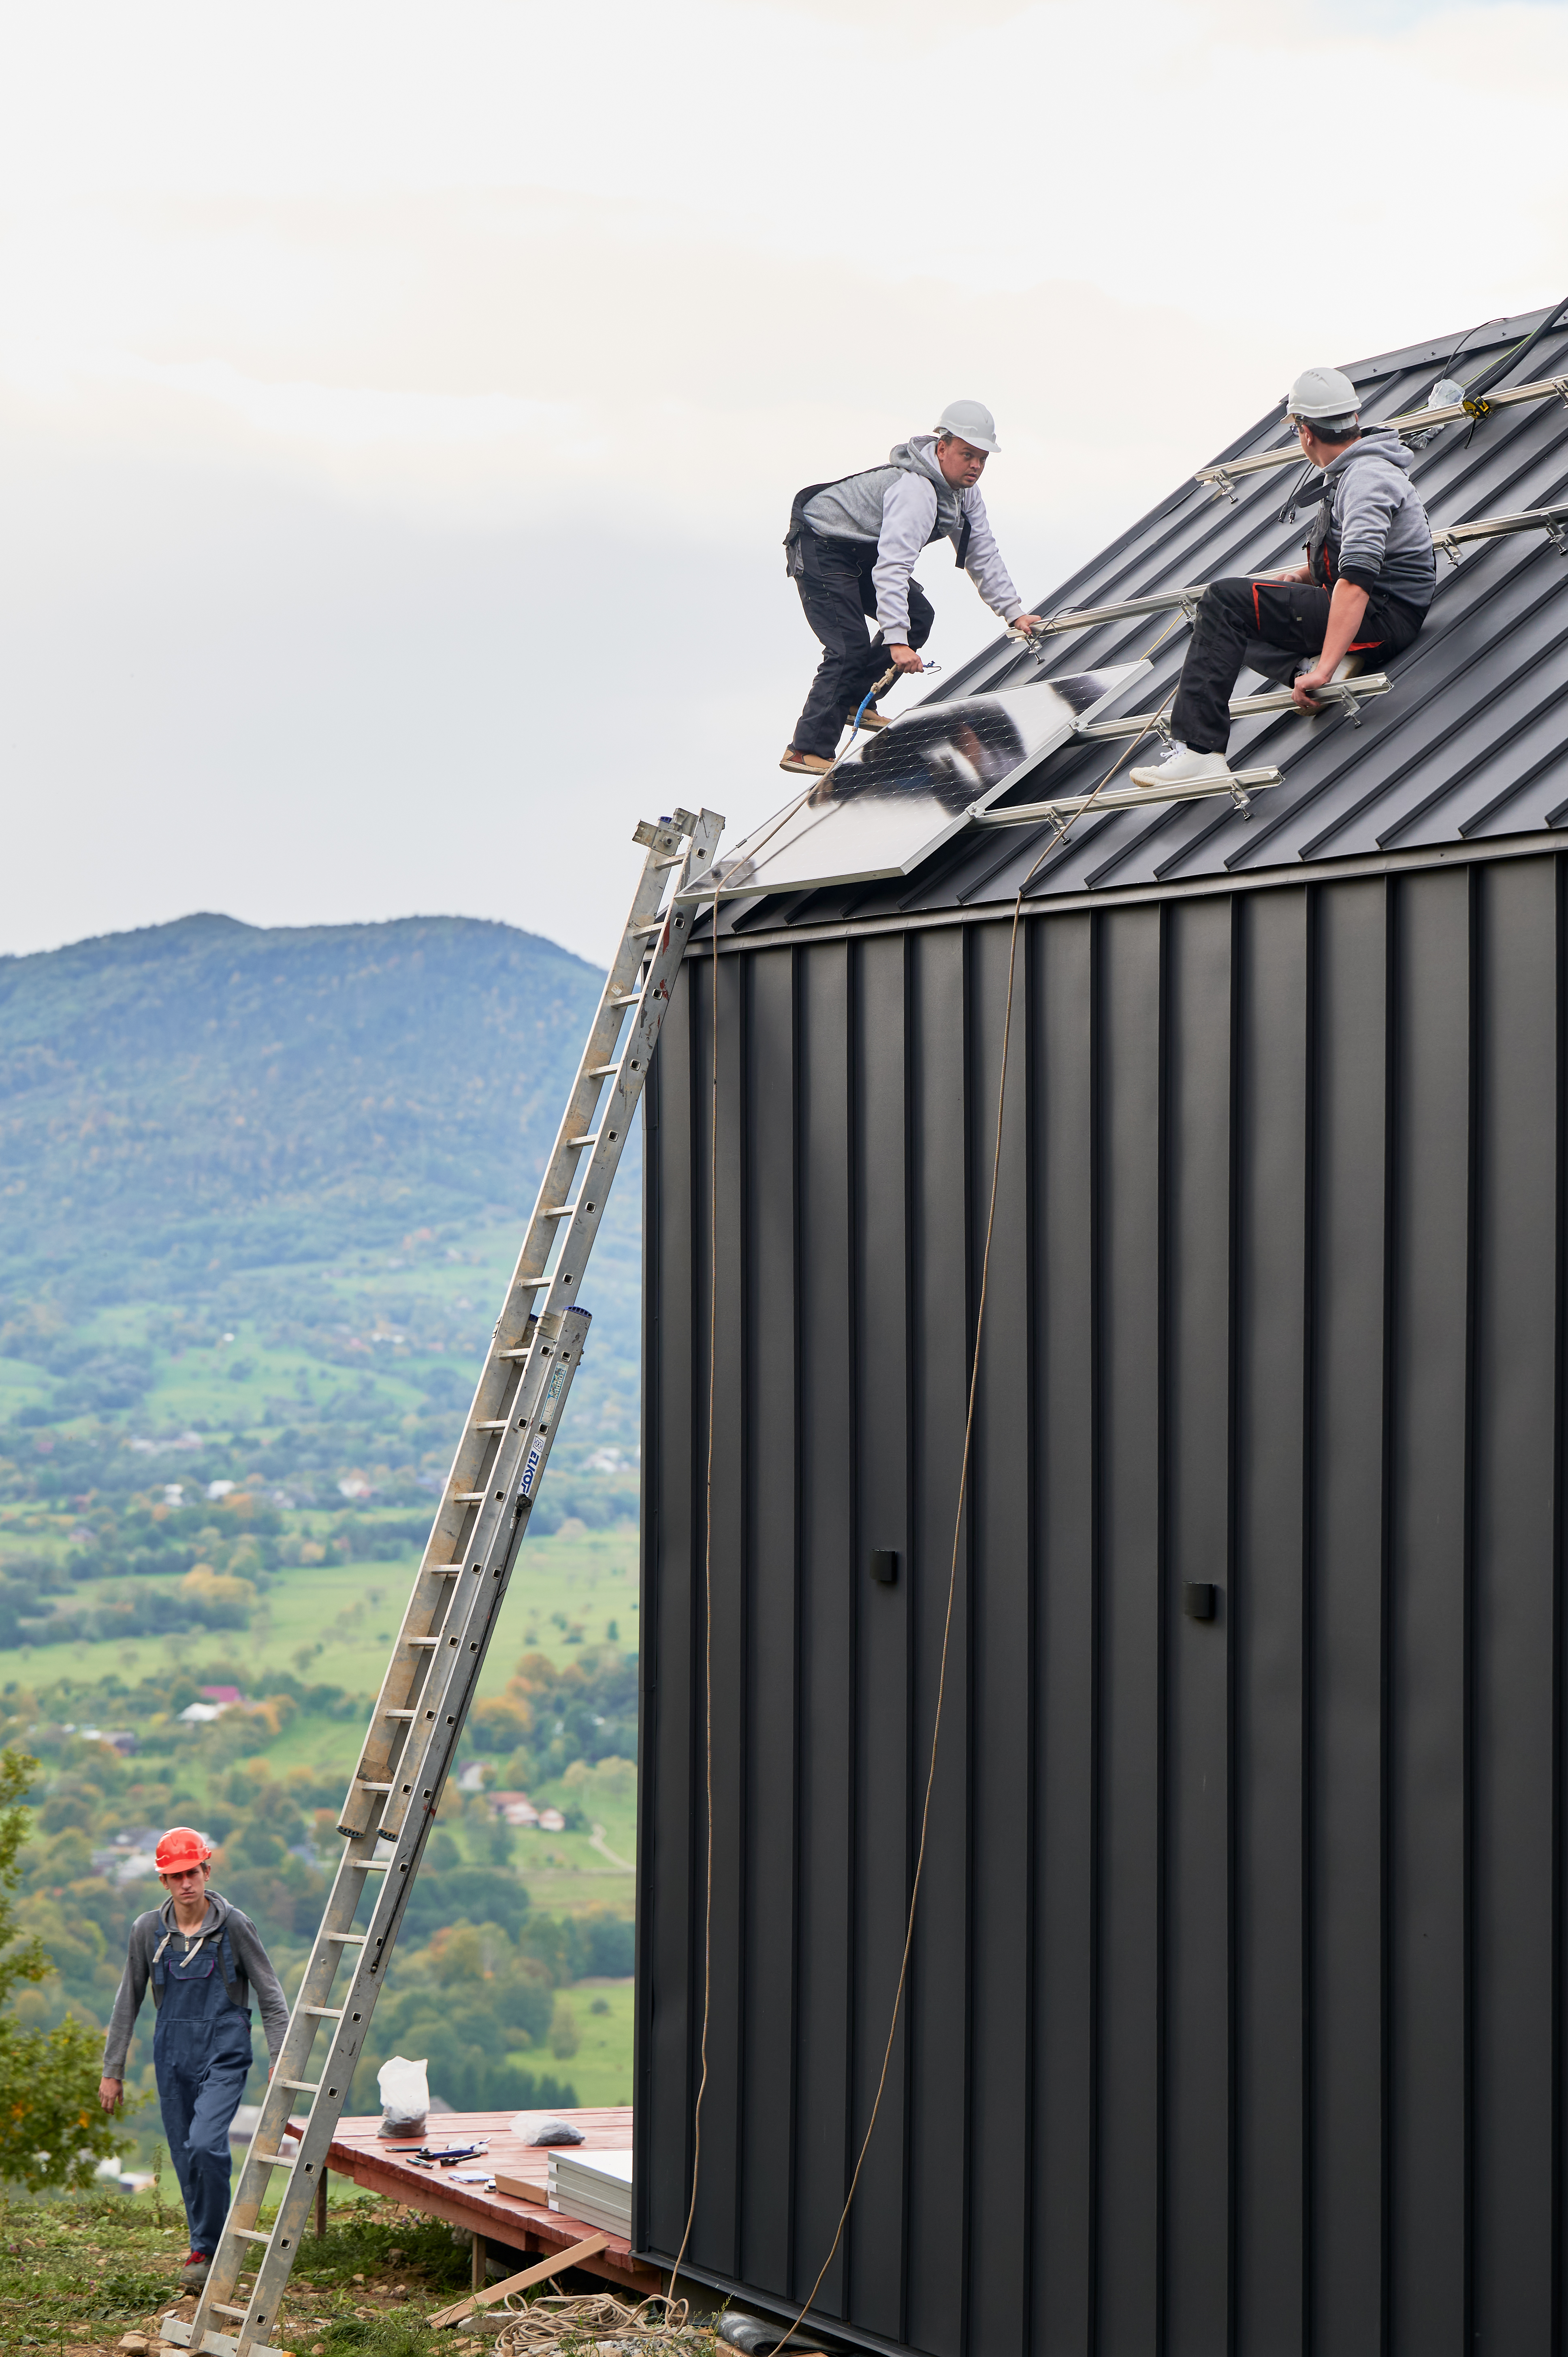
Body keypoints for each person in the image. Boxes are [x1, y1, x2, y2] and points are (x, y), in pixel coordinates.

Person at [1130, 365, 1436, 792]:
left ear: (1305, 432)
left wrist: (1325, 671)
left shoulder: (1366, 477)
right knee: (1223, 623)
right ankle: (1303, 666)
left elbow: (1358, 579)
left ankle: (1200, 752)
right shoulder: (1361, 471)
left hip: (1380, 616)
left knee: (1222, 602)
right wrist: (1307, 576)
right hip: (1378, 612)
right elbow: (1368, 555)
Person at [781, 400, 1039, 776]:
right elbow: (894, 566)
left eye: (982, 459)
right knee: (847, 647)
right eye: (967, 455)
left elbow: (980, 551)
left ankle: (857, 701)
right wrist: (897, 642)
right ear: (942, 448)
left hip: (862, 550)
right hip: (822, 546)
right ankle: (805, 750)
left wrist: (1013, 613)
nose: (975, 466)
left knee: (918, 615)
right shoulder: (915, 489)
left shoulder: (963, 494)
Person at [99, 1827, 289, 2289]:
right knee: (186, 2156)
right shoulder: (147, 1930)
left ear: (207, 1870)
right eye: (176, 1875)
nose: (186, 1883)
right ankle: (204, 2248)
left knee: (206, 2144)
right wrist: (113, 2069)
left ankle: (215, 2243)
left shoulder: (235, 1926)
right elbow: (129, 1999)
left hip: (224, 2052)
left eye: (192, 1872)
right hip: (172, 2056)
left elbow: (271, 1995)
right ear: (164, 1881)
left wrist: (280, 2057)